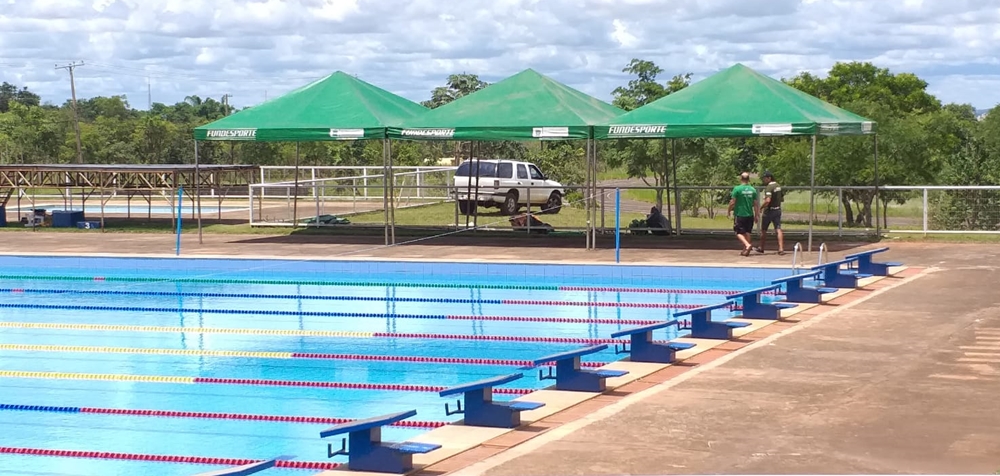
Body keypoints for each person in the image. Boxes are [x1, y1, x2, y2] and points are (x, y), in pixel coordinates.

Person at [728, 172, 759, 256]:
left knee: (738, 232)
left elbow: (732, 202)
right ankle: (745, 250)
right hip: (750, 214)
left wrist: (729, 210)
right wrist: (756, 215)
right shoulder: (752, 190)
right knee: (748, 232)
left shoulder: (737, 189)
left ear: (741, 179)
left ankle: (747, 245)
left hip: (740, 214)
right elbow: (756, 204)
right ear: (749, 179)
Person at [756, 170, 785, 255]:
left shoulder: (769, 187)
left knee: (764, 230)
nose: (764, 180)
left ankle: (761, 247)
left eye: (765, 178)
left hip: (769, 211)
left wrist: (761, 207)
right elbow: (782, 198)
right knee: (778, 229)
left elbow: (768, 200)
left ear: (769, 178)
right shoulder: (778, 186)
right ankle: (781, 248)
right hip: (777, 210)